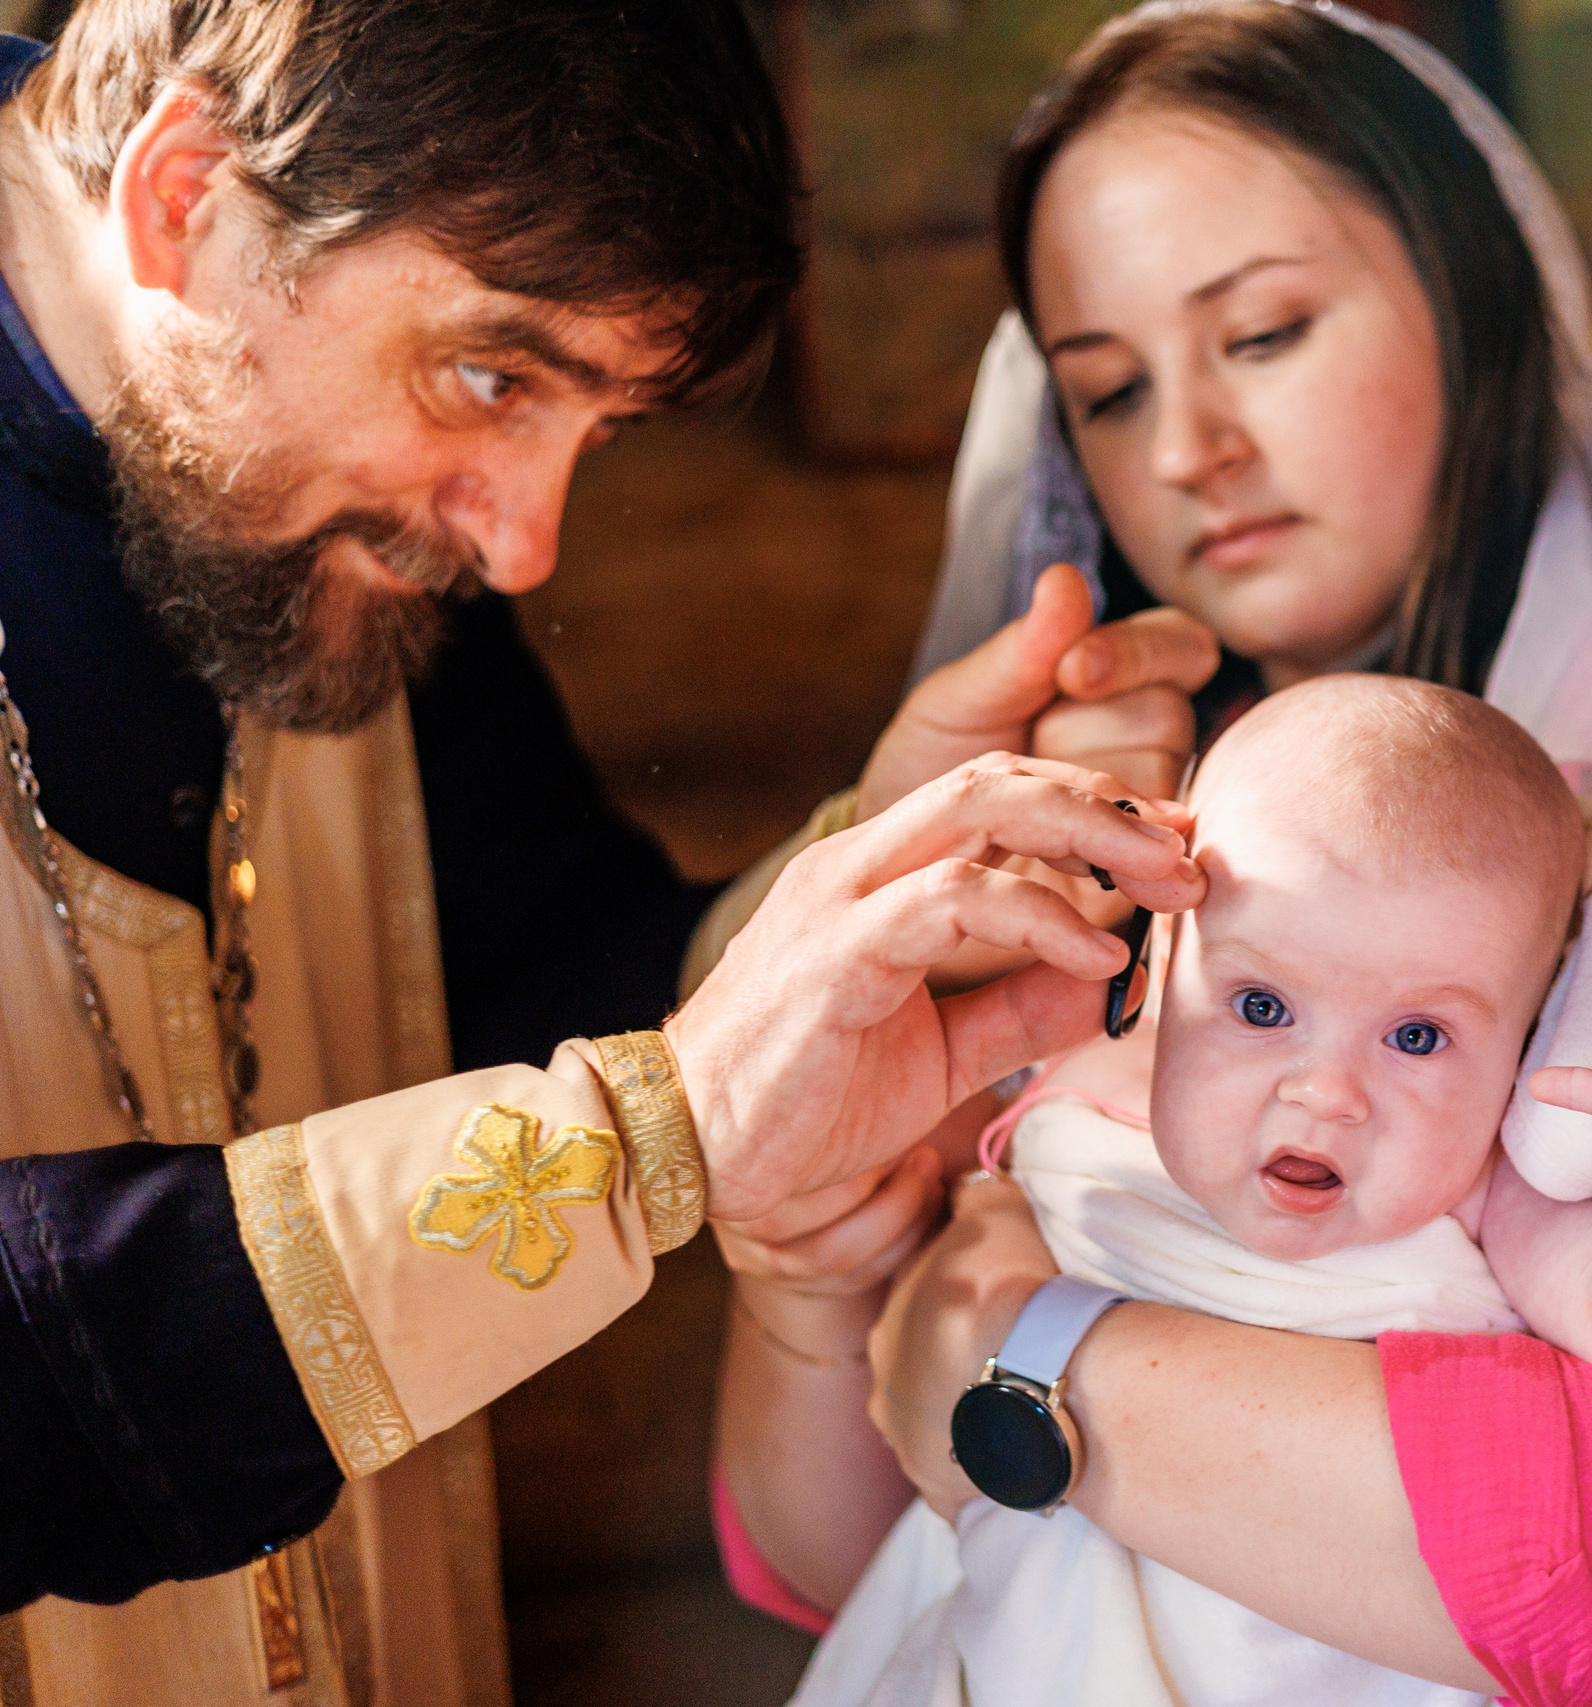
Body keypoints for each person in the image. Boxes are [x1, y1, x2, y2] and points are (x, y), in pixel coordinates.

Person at [710, 5, 1592, 1701]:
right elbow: (840, 1551)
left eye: (1261, 333)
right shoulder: (1109, 839)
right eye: (1107, 390)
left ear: (1473, 301)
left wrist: (1018, 1351)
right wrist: (816, 1275)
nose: (1184, 448)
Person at [0, 4, 1206, 1703]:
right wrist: (648, 1135)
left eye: (598, 427)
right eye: (493, 379)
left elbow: (549, 974)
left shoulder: (354, 522)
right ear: (184, 195)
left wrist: (870, 881)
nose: (524, 544)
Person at [799, 675, 1592, 1707]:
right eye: (1262, 1006)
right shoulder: (1079, 1091)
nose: (1326, 1093)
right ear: (1167, 954)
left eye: (1418, 1036)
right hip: (1022, 1635)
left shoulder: (1488, 1195)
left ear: (1528, 1034)